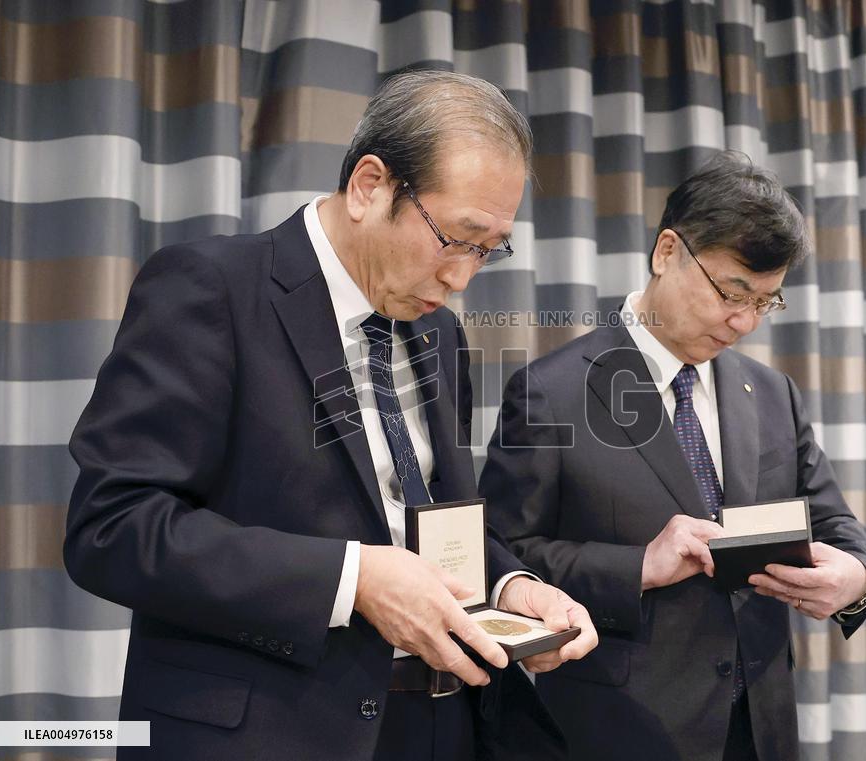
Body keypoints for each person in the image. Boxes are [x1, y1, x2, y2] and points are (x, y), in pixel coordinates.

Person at [64, 70, 597, 761]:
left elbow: (431, 516)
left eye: (489, 249)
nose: (463, 278)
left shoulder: (437, 334)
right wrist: (353, 580)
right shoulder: (211, 291)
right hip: (266, 731)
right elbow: (112, 526)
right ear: (369, 186)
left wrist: (511, 587)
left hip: (443, 725)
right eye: (455, 238)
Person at [478, 152, 866, 761]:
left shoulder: (772, 393)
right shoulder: (552, 391)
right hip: (621, 729)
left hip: (762, 726)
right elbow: (501, 557)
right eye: (731, 292)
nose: (744, 322)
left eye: (766, 302)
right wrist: (637, 565)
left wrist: (855, 579)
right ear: (667, 251)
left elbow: (837, 527)